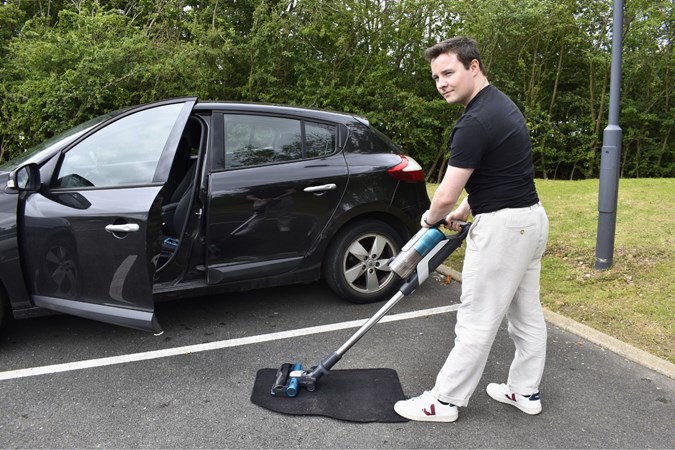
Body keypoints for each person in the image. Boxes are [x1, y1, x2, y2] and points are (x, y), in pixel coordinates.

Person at [393, 36, 549, 423]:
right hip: (529, 220)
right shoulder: (500, 105)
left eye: (448, 72)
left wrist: (430, 221)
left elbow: (443, 195)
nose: (441, 82)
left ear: (473, 66)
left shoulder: (473, 122)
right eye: (435, 77)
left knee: (477, 318)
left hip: (504, 231)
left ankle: (443, 402)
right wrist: (463, 212)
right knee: (526, 315)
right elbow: (496, 176)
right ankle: (524, 391)